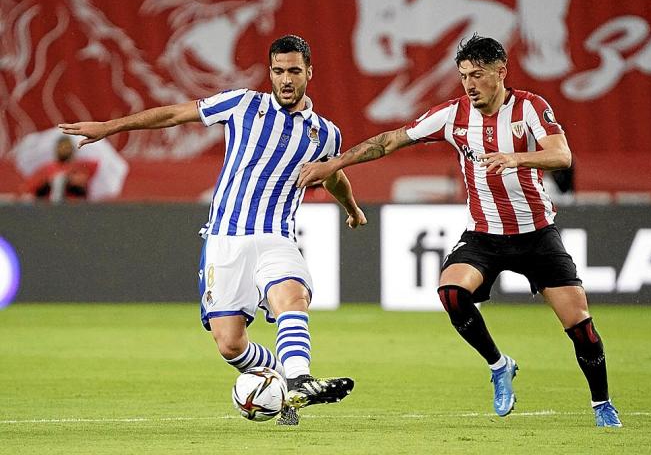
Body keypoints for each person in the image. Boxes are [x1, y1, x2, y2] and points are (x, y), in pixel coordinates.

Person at [298, 34, 622, 428]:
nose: (469, 84)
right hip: (484, 235)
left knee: (580, 325)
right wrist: (333, 165)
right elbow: (389, 141)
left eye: (478, 75)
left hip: (537, 234)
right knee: (451, 292)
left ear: (501, 72)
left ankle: (602, 404)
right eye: (464, 75)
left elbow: (562, 155)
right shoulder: (453, 114)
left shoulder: (530, 108)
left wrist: (515, 158)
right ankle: (499, 366)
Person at [60, 35, 367, 426]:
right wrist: (110, 127)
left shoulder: (326, 134)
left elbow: (333, 176)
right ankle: (282, 383)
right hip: (224, 239)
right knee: (230, 344)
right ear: (269, 72)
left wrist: (352, 208)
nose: (285, 79)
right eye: (278, 71)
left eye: (293, 71)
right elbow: (174, 115)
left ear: (309, 72)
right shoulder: (242, 105)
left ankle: (300, 381)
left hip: (277, 236)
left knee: (291, 296)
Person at [22, 136, 98, 203]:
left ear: (72, 149)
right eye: (61, 147)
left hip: (74, 207)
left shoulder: (80, 166)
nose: (64, 150)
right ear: (56, 148)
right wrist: (48, 183)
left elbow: (83, 184)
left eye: (67, 147)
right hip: (50, 208)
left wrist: (68, 180)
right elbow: (32, 189)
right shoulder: (46, 168)